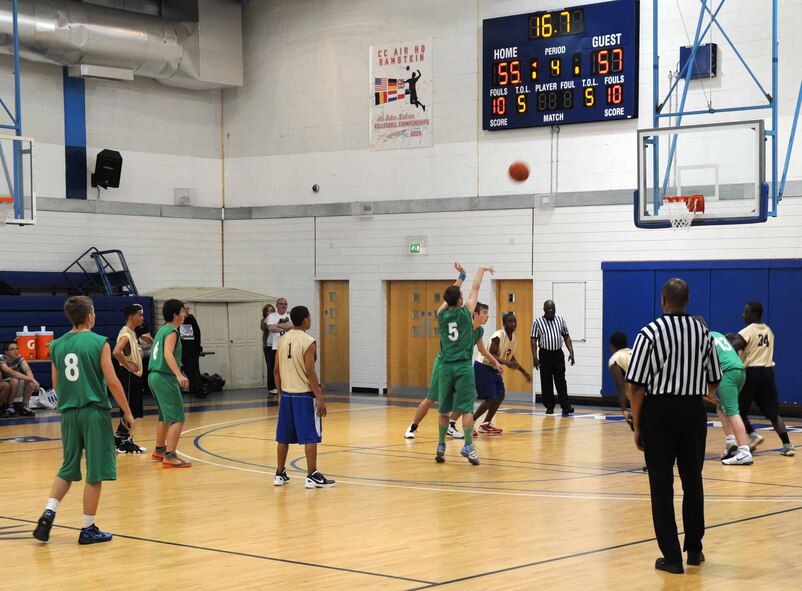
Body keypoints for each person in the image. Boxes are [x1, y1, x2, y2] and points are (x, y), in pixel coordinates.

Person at [626, 278, 722, 574]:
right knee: (693, 480)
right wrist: (697, 393)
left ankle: (671, 556)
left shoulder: (649, 333)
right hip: (693, 411)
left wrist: (639, 424)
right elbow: (715, 378)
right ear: (687, 300)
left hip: (659, 412)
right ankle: (694, 549)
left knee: (661, 483)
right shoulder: (703, 333)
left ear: (663, 301)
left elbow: (637, 386)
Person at [32, 295, 135, 544]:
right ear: (90, 316)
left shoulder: (56, 345)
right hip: (93, 411)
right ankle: (88, 528)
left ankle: (49, 511)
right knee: (95, 472)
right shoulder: (99, 341)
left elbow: (56, 384)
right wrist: (127, 411)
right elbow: (112, 381)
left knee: (67, 467)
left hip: (68, 413)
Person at [435, 265, 494, 465]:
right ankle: (468, 445)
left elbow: (448, 298)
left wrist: (460, 277)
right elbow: (475, 288)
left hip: (445, 367)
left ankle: (441, 444)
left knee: (444, 410)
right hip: (462, 367)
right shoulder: (466, 312)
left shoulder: (441, 315)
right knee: (467, 408)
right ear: (460, 300)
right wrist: (481, 270)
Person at [273, 305, 334, 489]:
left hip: (287, 395)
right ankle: (312, 475)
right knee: (310, 436)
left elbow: (276, 371)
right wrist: (320, 397)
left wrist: (280, 393)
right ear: (306, 319)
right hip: (304, 397)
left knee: (283, 437)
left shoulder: (282, 340)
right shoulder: (309, 341)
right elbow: (310, 372)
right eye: (310, 317)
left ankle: (279, 473)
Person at [728, 302, 795, 457]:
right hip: (767, 373)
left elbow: (734, 348)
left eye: (746, 312)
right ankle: (787, 444)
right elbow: (753, 346)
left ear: (755, 314)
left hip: (751, 373)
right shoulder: (768, 331)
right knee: (773, 413)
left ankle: (752, 435)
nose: (743, 315)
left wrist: (728, 343)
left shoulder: (747, 331)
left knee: (736, 410)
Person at [692, 317, 753, 465]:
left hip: (727, 373)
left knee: (732, 411)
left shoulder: (701, 341)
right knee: (722, 408)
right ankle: (731, 443)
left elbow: (700, 372)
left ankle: (745, 451)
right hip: (740, 371)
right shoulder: (717, 334)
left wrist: (706, 393)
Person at [148, 299, 192, 468]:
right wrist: (179, 375)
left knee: (164, 416)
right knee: (178, 417)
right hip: (164, 377)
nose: (185, 314)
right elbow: (167, 354)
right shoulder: (173, 332)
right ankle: (170, 456)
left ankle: (159, 450)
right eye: (183, 311)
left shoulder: (161, 331)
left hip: (154, 376)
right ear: (175, 315)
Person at [473, 312, 531, 434]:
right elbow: (491, 354)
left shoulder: (514, 340)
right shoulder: (498, 336)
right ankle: (471, 421)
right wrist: (506, 363)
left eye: (515, 321)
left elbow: (511, 359)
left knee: (500, 395)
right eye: (511, 321)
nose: (514, 323)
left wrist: (524, 372)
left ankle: (486, 424)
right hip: (483, 366)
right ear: (504, 324)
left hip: (495, 368)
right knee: (491, 397)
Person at [111, 304, 148, 454]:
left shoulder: (131, 333)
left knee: (133, 408)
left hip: (134, 376)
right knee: (129, 409)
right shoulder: (126, 334)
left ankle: (118, 437)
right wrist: (128, 366)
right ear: (131, 317)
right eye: (140, 315)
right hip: (128, 376)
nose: (142, 318)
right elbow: (116, 352)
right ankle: (125, 442)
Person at [531, 300, 576, 416]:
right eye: (548, 308)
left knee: (561, 380)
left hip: (558, 354)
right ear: (544, 309)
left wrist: (571, 352)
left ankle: (566, 406)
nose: (551, 310)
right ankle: (549, 406)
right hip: (545, 354)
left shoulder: (560, 320)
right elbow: (533, 340)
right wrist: (534, 357)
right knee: (546, 381)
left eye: (552, 308)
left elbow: (566, 337)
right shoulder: (537, 322)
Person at [0, 340, 40, 417]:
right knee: (16, 380)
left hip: (15, 380)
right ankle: (9, 406)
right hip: (5, 382)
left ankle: (25, 406)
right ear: (6, 352)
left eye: (16, 348)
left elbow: (28, 370)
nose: (15, 351)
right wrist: (32, 379)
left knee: (29, 381)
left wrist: (32, 381)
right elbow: (13, 373)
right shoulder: (2, 359)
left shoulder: (19, 357)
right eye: (12, 349)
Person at [266, 298, 293, 395]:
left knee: (288, 367)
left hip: (288, 346)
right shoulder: (272, 316)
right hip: (276, 346)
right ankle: (275, 387)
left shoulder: (289, 315)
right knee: (275, 368)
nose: (283, 305)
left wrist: (278, 326)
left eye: (285, 304)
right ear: (277, 305)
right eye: (281, 304)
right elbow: (270, 328)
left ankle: (287, 385)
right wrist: (285, 326)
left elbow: (292, 326)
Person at [608, 332, 634, 427]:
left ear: (612, 346)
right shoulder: (635, 352)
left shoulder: (615, 358)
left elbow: (619, 385)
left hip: (639, 396)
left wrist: (624, 410)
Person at [179, 303, 205, 398]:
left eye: (188, 309)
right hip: (183, 350)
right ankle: (197, 389)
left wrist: (198, 347)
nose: (186, 311)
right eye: (185, 309)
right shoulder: (178, 320)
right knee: (189, 370)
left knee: (195, 370)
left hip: (193, 350)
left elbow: (197, 332)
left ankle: (199, 389)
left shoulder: (191, 318)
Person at [260, 303, 276, 390]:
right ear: (265, 312)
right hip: (268, 347)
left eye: (272, 310)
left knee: (277, 367)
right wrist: (268, 318)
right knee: (270, 368)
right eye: (268, 311)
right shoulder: (264, 320)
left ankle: (278, 386)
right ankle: (271, 387)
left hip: (277, 346)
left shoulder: (277, 319)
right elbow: (263, 327)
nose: (270, 312)